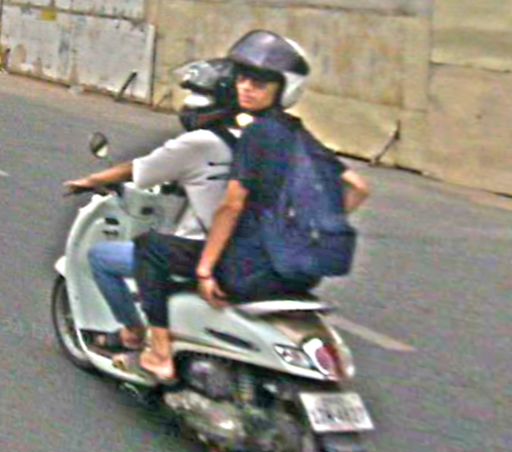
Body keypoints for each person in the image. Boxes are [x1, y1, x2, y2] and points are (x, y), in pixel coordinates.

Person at [63, 59, 240, 380]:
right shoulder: (241, 141)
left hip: (203, 251)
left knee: (102, 257)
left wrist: (91, 180)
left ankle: (136, 335)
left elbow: (139, 169)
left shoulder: (199, 143)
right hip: (242, 250)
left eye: (197, 96)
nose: (189, 104)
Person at [196, 30, 370, 308]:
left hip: (248, 271)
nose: (246, 88)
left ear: (282, 90)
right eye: (242, 78)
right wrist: (306, 226)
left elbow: (232, 206)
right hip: (302, 274)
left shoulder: (256, 134)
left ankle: (153, 337)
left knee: (153, 251)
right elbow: (358, 188)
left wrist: (205, 270)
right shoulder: (296, 132)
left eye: (259, 83)